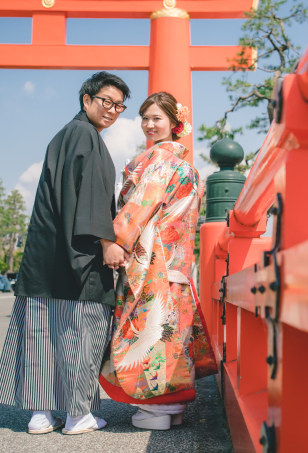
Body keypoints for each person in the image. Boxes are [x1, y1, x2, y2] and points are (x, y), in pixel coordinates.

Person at [0, 72, 132, 435]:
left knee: (43, 333)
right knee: (82, 333)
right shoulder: (85, 135)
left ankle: (40, 414)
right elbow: (89, 196)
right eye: (107, 101)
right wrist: (106, 241)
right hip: (80, 254)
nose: (113, 110)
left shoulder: (65, 135)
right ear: (86, 99)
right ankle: (77, 415)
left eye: (119, 105)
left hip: (46, 255)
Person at [100, 92, 218, 430]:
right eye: (145, 118)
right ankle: (173, 405)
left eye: (157, 119)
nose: (149, 125)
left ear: (173, 123)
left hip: (152, 261)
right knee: (172, 331)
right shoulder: (187, 167)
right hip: (176, 262)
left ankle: (155, 409)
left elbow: (139, 207)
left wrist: (113, 241)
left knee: (146, 332)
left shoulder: (160, 161)